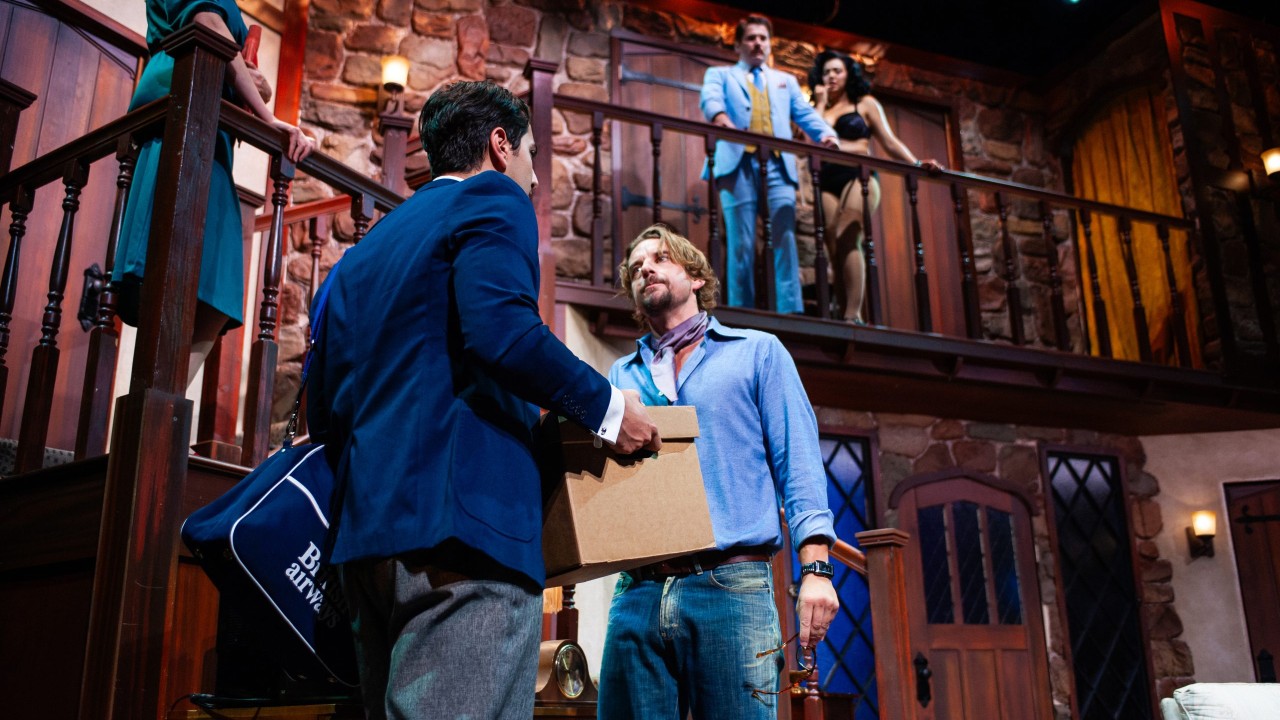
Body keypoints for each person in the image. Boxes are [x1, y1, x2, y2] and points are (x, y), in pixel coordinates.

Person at [306, 81, 661, 720]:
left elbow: (324, 408)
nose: (531, 179)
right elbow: (503, 334)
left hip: (367, 543)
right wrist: (611, 409)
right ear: (500, 147)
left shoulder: (363, 254)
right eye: (530, 156)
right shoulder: (494, 199)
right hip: (464, 539)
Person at [597, 223, 840, 719]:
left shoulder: (757, 352)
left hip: (732, 587)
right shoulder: (621, 376)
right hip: (638, 593)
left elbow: (798, 462)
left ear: (697, 277)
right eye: (637, 266)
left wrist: (814, 568)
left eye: (661, 257)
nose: (647, 267)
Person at [113, 0, 314, 386]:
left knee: (217, 290)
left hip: (212, 132)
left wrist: (253, 82)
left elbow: (225, 44)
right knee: (170, 274)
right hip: (183, 118)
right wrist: (269, 119)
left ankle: (161, 410)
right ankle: (152, 417)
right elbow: (208, 23)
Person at [701, 14, 839, 314]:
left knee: (784, 238)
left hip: (778, 166)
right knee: (741, 243)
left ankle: (790, 310)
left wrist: (826, 135)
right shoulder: (720, 74)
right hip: (738, 164)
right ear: (738, 44)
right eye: (751, 38)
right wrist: (723, 121)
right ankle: (741, 310)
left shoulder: (785, 81)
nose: (758, 43)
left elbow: (804, 114)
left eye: (763, 38)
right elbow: (710, 100)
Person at [808, 49, 941, 323]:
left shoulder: (864, 103)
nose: (831, 76)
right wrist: (819, 104)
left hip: (860, 175)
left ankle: (853, 315)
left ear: (848, 75)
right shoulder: (818, 109)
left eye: (837, 71)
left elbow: (889, 141)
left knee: (848, 233)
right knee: (834, 246)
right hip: (827, 181)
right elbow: (811, 142)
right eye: (826, 72)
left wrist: (916, 163)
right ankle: (843, 317)